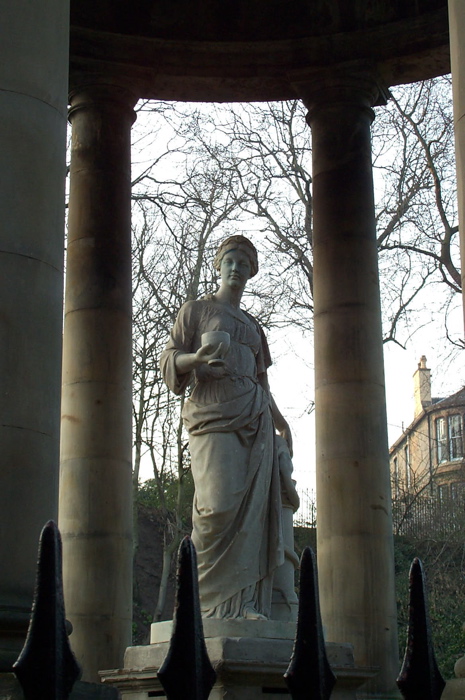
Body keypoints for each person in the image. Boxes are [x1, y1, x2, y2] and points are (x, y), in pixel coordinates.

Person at [160, 235, 292, 619]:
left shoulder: (253, 327)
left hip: (255, 416)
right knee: (216, 508)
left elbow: (262, 382)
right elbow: (169, 358)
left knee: (252, 513)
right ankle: (203, 609)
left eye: (244, 263)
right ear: (219, 266)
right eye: (230, 261)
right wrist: (193, 360)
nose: (236, 268)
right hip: (212, 413)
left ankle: (244, 605)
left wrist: (282, 424)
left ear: (251, 272)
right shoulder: (196, 310)